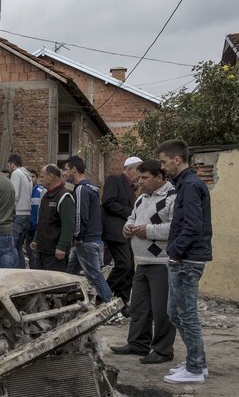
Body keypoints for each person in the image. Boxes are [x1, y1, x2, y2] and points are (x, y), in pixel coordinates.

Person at [156, 140, 213, 384]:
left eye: (163, 161)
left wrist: (175, 252)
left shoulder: (190, 185)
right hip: (185, 258)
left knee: (186, 314)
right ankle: (196, 360)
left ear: (176, 160)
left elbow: (192, 225)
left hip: (187, 260)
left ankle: (195, 368)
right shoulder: (186, 184)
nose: (162, 165)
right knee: (175, 313)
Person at [110, 160, 177, 365]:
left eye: (145, 178)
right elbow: (132, 217)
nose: (140, 182)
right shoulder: (141, 199)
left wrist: (147, 230)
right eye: (139, 178)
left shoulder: (172, 197)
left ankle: (163, 350)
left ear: (160, 177)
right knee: (139, 307)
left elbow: (175, 228)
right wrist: (128, 227)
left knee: (161, 310)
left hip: (161, 261)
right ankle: (138, 343)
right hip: (142, 261)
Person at [64, 155, 113, 303]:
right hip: (93, 238)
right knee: (70, 273)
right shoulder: (93, 188)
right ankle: (68, 301)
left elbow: (80, 216)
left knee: (94, 274)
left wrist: (77, 236)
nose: (65, 173)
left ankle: (110, 303)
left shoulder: (81, 190)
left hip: (85, 240)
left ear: (74, 169)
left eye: (66, 169)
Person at [103, 156, 142, 314]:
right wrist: (131, 213)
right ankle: (104, 295)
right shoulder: (115, 179)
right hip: (116, 231)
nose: (139, 177)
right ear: (129, 169)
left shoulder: (132, 188)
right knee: (123, 265)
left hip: (127, 233)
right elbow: (108, 202)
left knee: (129, 267)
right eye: (138, 173)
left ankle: (122, 300)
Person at [30, 165, 74, 272]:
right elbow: (43, 220)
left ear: (50, 176)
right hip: (42, 250)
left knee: (55, 286)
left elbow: (68, 226)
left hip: (55, 253)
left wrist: (62, 247)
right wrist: (36, 239)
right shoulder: (46, 195)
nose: (40, 179)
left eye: (42, 176)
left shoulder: (64, 197)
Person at [7, 154, 33, 268]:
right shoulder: (28, 176)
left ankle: (14, 271)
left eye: (9, 165)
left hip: (18, 214)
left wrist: (8, 212)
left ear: (12, 164)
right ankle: (21, 269)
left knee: (12, 245)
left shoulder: (16, 174)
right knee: (19, 247)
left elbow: (14, 195)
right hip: (27, 214)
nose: (8, 167)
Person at [27, 169, 46, 269]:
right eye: (29, 177)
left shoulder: (40, 191)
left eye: (33, 177)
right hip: (28, 226)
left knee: (35, 254)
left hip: (37, 227)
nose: (31, 179)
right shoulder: (26, 190)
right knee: (30, 254)